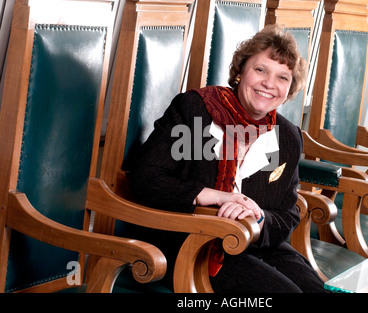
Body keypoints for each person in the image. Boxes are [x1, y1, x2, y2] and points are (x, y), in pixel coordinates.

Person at [124, 24, 327, 293]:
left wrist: (258, 217)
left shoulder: (287, 136)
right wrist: (215, 196)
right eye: (261, 70)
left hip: (256, 244)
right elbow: (145, 178)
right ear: (240, 70)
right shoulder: (196, 112)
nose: (269, 84)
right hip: (191, 245)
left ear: (289, 89)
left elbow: (287, 215)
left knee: (316, 291)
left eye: (282, 77)